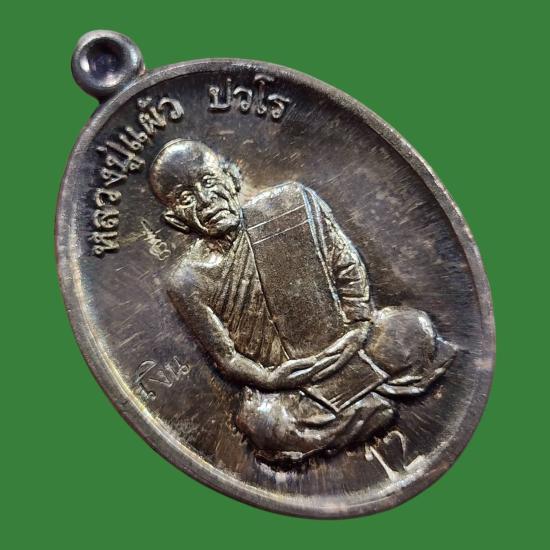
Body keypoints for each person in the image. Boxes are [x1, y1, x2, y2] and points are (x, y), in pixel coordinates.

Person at [149, 139, 454, 464]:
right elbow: (227, 358)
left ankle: (354, 410)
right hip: (289, 387)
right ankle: (370, 401)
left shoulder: (293, 202)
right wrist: (271, 378)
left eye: (209, 181)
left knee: (413, 329)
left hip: (354, 346)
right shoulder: (187, 280)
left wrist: (359, 325)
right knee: (264, 423)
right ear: (176, 219)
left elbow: (346, 265)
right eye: (186, 198)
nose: (205, 200)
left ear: (231, 177)